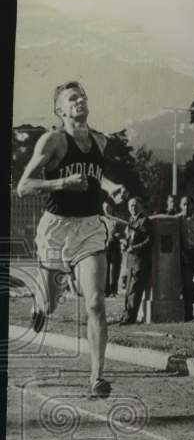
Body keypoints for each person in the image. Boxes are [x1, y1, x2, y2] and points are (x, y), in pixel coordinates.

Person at [16, 80, 127, 397]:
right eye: (72, 98)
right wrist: (62, 183)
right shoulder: (53, 140)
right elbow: (24, 186)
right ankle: (40, 302)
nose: (80, 101)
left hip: (89, 227)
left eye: (82, 96)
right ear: (60, 109)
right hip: (56, 228)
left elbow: (95, 174)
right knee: (51, 305)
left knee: (95, 302)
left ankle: (97, 378)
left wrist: (109, 187)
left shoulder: (100, 141)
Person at [119, 197, 152, 325]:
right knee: (128, 290)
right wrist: (124, 243)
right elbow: (129, 238)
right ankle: (126, 315)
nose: (133, 208)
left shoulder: (145, 221)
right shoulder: (131, 220)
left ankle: (130, 318)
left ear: (141, 206)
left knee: (134, 290)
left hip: (141, 260)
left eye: (135, 205)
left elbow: (150, 240)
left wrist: (135, 248)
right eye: (131, 206)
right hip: (131, 260)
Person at [101, 200, 123, 297]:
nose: (107, 209)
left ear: (111, 208)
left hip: (115, 244)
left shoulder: (116, 219)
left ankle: (114, 290)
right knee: (105, 269)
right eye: (105, 208)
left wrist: (119, 235)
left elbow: (124, 232)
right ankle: (106, 290)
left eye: (108, 207)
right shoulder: (101, 219)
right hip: (104, 245)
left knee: (115, 269)